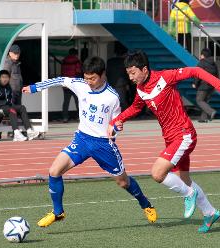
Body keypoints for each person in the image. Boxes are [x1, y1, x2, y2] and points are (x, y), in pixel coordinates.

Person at [107, 51, 220, 233]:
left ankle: (189, 195)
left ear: (144, 69)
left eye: (133, 72)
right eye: (128, 73)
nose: (130, 77)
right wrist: (116, 120)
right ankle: (210, 212)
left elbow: (196, 71)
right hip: (170, 139)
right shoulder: (140, 90)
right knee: (183, 179)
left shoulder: (166, 77)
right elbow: (135, 107)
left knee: (157, 173)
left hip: (184, 134)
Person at [23, 56, 157, 228]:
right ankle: (58, 212)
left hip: (103, 145)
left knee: (123, 182)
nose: (89, 82)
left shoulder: (112, 97)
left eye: (92, 78)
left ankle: (145, 203)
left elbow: (116, 122)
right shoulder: (81, 85)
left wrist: (117, 127)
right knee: (54, 171)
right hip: (82, 139)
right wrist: (35, 87)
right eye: (86, 78)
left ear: (102, 75)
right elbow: (61, 79)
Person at [0, 70, 39, 141]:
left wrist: (9, 104)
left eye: (6, 77)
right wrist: (0, 105)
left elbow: (9, 100)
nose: (5, 79)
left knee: (22, 107)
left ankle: (29, 131)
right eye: (3, 77)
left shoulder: (8, 87)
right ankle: (16, 133)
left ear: (9, 78)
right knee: (12, 110)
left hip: (7, 106)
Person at [193, 48, 218, 122]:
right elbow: (217, 74)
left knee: (199, 100)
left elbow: (197, 74)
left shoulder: (201, 63)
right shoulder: (213, 63)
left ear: (203, 55)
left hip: (203, 86)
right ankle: (203, 118)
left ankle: (211, 111)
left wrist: (195, 83)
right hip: (211, 85)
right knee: (205, 101)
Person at [107, 43, 131, 111]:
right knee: (122, 101)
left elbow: (107, 72)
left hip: (111, 83)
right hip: (121, 84)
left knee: (113, 101)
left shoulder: (110, 61)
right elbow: (126, 74)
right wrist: (128, 84)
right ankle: (126, 114)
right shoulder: (124, 62)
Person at [61, 48, 82, 122]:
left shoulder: (64, 61)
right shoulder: (77, 61)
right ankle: (79, 117)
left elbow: (62, 72)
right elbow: (78, 71)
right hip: (74, 84)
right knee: (78, 101)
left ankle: (65, 117)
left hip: (66, 84)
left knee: (66, 102)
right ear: (76, 54)